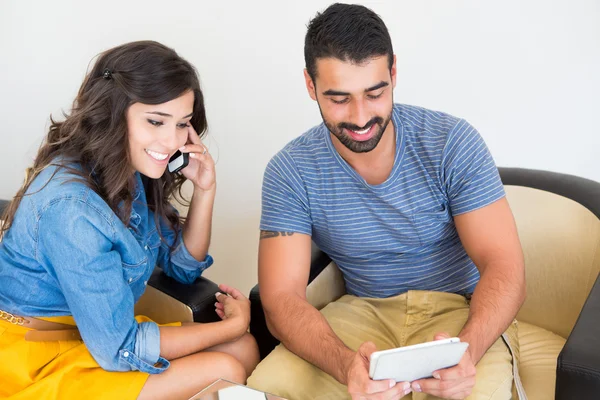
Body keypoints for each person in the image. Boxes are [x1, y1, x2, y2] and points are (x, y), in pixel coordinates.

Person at [247, 4, 526, 400]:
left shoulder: (451, 142)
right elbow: (280, 299)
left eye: (375, 93)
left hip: (461, 313)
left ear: (393, 74)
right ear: (311, 86)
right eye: (339, 98)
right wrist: (346, 365)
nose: (361, 117)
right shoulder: (290, 171)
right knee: (266, 389)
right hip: (361, 311)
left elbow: (505, 264)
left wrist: (469, 349)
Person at [0, 41, 259, 400]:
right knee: (226, 370)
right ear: (112, 113)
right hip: (37, 355)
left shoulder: (123, 169)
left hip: (92, 332)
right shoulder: (72, 211)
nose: (171, 141)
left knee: (242, 350)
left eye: (182, 123)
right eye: (155, 121)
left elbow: (181, 268)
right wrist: (232, 325)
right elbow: (119, 348)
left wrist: (205, 189)